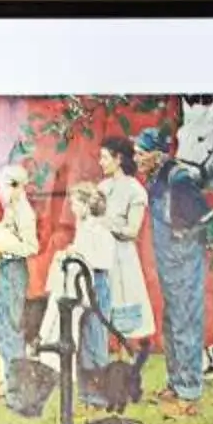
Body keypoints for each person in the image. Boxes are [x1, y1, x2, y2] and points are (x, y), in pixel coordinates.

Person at [136, 125, 212, 416]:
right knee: (171, 322)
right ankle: (175, 382)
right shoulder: (156, 177)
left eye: (142, 153)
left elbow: (202, 216)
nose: (137, 158)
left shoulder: (178, 177)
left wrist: (186, 232)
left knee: (186, 323)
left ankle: (189, 395)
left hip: (183, 262)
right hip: (168, 264)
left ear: (157, 154)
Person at [73, 133, 150, 370]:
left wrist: (107, 224)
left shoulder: (135, 190)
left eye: (105, 157)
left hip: (122, 258)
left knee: (120, 312)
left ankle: (124, 365)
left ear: (118, 159)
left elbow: (132, 231)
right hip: (99, 254)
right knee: (98, 310)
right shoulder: (103, 187)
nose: (100, 162)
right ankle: (99, 363)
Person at [0, 163, 39, 370]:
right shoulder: (12, 208)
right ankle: (8, 376)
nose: (1, 191)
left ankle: (16, 378)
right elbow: (8, 233)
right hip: (6, 266)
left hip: (15, 269)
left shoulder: (25, 213)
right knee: (4, 324)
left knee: (13, 325)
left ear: (16, 186)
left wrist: (2, 245)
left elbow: (31, 246)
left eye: (4, 186)